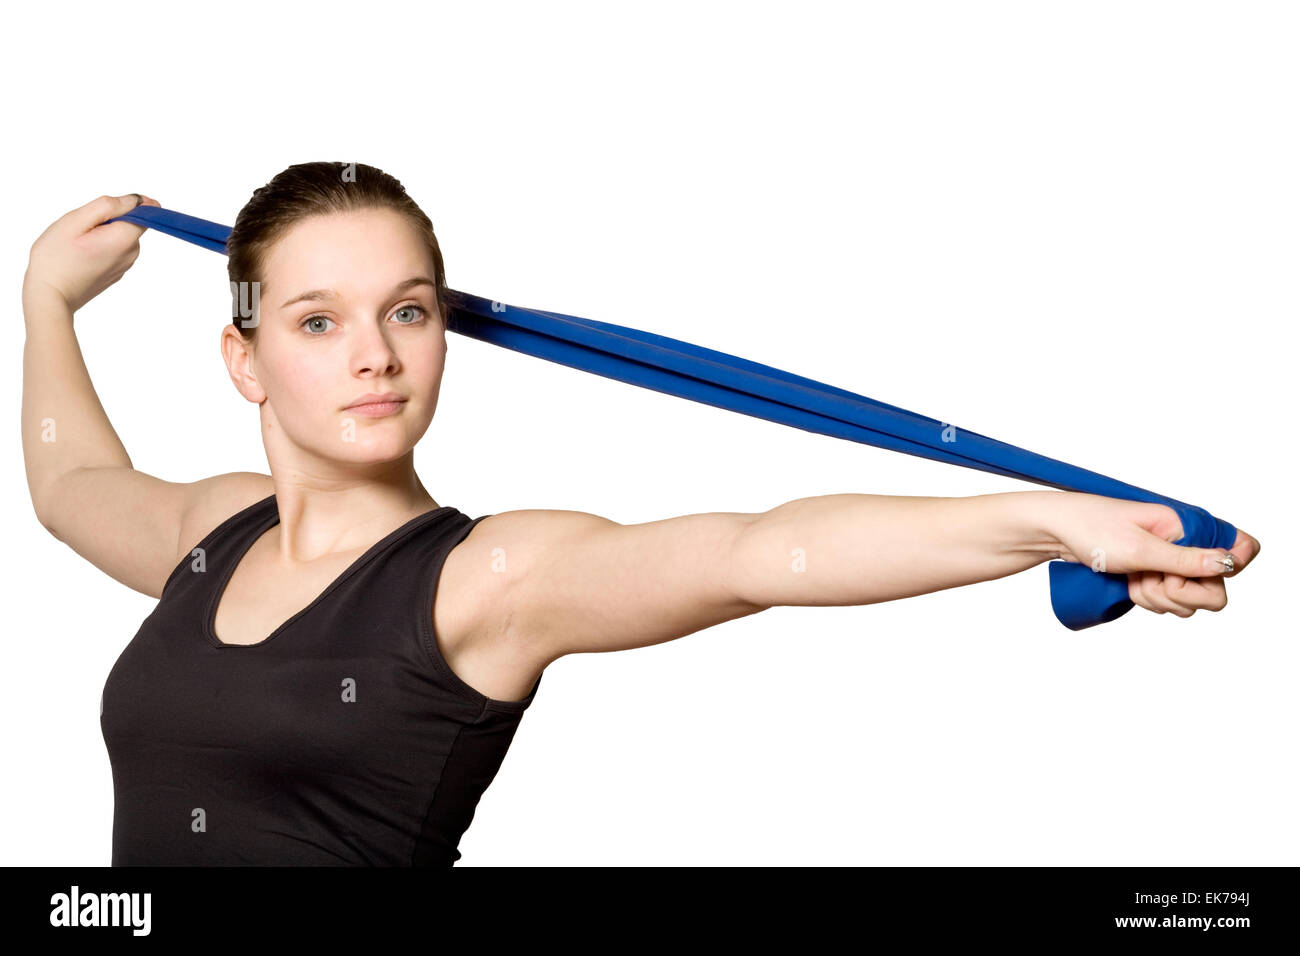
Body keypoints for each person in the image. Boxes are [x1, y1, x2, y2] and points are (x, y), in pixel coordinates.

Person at [20, 162, 1261, 865]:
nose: (376, 357)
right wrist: (46, 307)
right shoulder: (214, 536)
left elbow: (760, 550)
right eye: (316, 321)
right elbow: (73, 488)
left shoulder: (483, 578)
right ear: (243, 361)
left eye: (407, 311)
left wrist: (1053, 522)